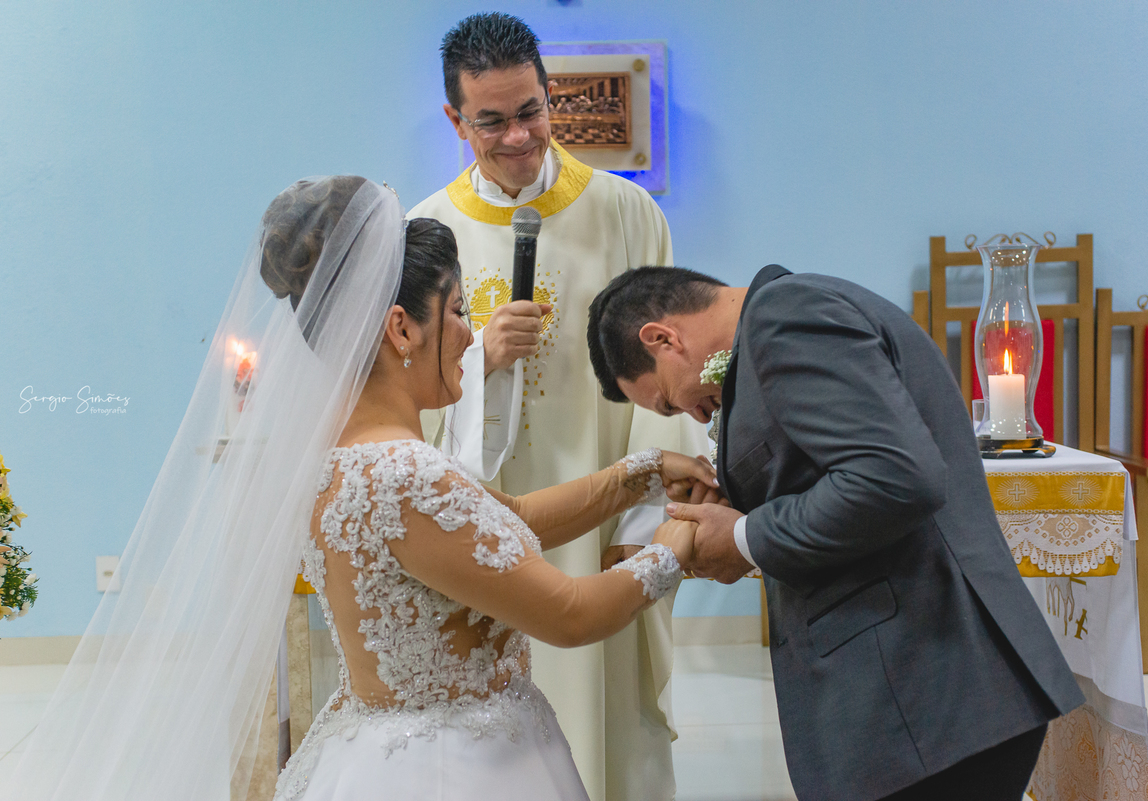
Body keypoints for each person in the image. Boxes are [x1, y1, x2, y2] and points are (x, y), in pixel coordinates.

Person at [1, 177, 714, 801]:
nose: (470, 336)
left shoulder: (339, 460)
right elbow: (569, 615)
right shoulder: (407, 474)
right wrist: (676, 546)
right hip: (457, 767)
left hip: (375, 749)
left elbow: (512, 517)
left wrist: (638, 475)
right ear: (401, 327)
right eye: (457, 311)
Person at [586, 265, 1087, 801]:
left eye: (668, 400)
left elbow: (895, 477)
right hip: (916, 696)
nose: (690, 413)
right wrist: (732, 512)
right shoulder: (778, 327)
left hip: (925, 687)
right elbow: (840, 481)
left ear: (663, 339)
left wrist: (743, 538)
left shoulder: (785, 316)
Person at [407, 13, 709, 801]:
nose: (518, 137)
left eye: (531, 111)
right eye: (491, 121)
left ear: (551, 97)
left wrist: (643, 526)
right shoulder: (425, 233)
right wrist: (477, 361)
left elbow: (669, 376)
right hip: (483, 529)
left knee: (604, 725)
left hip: (602, 524)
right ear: (456, 120)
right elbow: (403, 391)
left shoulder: (627, 214)